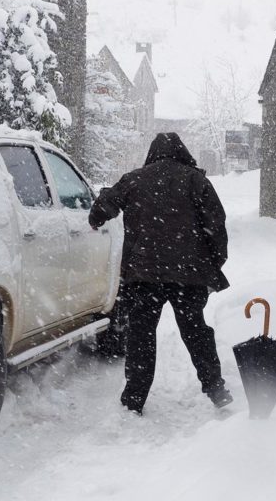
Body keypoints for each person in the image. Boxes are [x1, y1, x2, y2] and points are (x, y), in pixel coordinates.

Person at [88, 133, 233, 415]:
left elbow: (103, 207)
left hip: (144, 276)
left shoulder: (134, 180)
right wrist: (213, 265)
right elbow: (217, 227)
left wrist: (97, 217)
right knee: (196, 332)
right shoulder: (197, 181)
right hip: (188, 277)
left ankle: (134, 398)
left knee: (141, 336)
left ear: (152, 153)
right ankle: (216, 389)